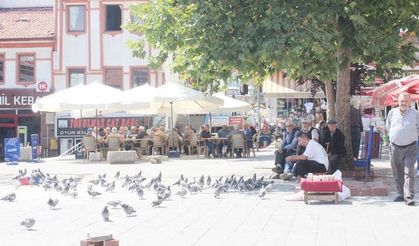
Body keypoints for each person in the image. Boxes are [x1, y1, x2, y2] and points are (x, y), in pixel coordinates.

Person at [386, 93, 419, 206]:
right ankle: (401, 193)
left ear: (410, 102)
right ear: (398, 102)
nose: (403, 103)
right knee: (397, 171)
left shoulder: (415, 114)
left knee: (409, 171)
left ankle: (409, 196)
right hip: (395, 147)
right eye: (401, 101)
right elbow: (388, 127)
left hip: (411, 147)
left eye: (406, 101)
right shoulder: (392, 113)